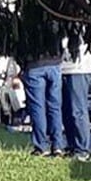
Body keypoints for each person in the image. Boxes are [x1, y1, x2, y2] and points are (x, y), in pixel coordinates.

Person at [20, 19, 66, 157]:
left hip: (35, 65)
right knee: (55, 106)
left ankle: (42, 145)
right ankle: (58, 145)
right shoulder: (55, 15)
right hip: (54, 64)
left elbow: (20, 45)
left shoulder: (28, 21)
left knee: (37, 107)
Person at [60, 27, 91, 161]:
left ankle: (82, 149)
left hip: (78, 69)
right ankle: (72, 145)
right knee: (66, 111)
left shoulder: (81, 24)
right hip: (62, 68)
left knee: (77, 110)